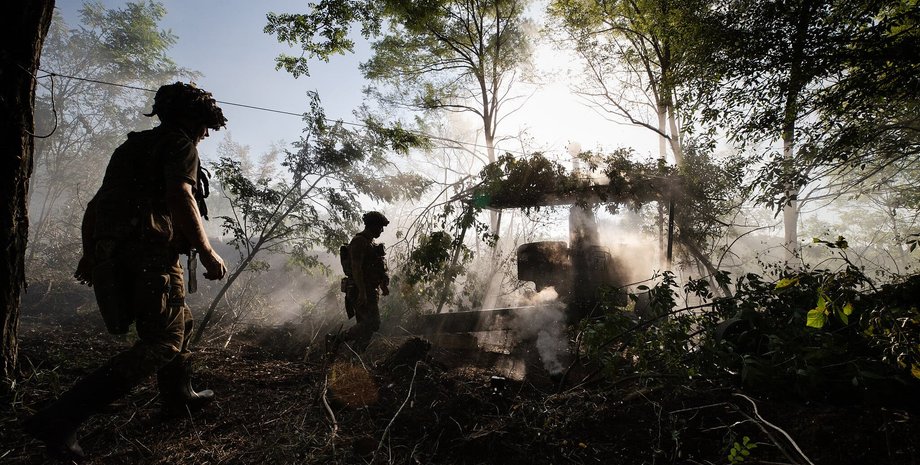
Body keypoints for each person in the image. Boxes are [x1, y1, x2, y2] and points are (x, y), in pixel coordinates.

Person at [24, 82, 228, 461]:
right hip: (151, 256)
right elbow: (181, 195)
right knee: (162, 343)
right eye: (203, 125)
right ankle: (62, 418)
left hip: (121, 252)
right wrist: (206, 250)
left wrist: (92, 252)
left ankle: (177, 396)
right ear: (188, 118)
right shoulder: (180, 144)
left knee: (181, 321)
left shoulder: (132, 147)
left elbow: (97, 202)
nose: (204, 134)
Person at [338, 211, 391, 352]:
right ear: (372, 225)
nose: (382, 230)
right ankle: (337, 339)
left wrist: (382, 284)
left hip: (369, 290)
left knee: (366, 330)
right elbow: (356, 268)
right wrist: (361, 292)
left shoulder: (371, 243)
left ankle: (354, 360)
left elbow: (376, 267)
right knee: (372, 323)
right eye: (380, 226)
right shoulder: (359, 242)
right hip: (358, 289)